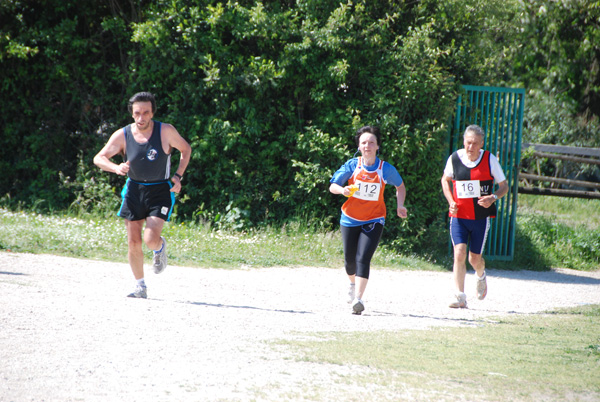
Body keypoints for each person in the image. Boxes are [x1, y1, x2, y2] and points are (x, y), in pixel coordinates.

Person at [93, 92, 192, 299]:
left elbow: (186, 149)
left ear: (152, 112)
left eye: (146, 112)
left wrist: (178, 176)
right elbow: (99, 158)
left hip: (160, 190)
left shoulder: (165, 131)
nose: (141, 117)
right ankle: (140, 286)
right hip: (134, 189)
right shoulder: (123, 134)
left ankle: (159, 247)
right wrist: (115, 167)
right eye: (137, 113)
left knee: (149, 238)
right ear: (132, 114)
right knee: (133, 242)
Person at [329, 126, 408, 315]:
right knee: (350, 261)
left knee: (363, 257)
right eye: (364, 142)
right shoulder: (352, 166)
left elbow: (400, 186)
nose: (368, 145)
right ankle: (352, 283)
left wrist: (400, 205)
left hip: (374, 218)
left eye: (371, 142)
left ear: (377, 146)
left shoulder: (385, 169)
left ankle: (359, 299)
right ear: (359, 146)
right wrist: (343, 190)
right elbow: (332, 186)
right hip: (350, 218)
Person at [441, 124, 508, 308]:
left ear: (482, 144)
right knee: (459, 253)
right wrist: (450, 201)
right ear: (464, 141)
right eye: (468, 142)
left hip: (479, 218)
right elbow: (445, 180)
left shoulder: (489, 159)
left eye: (475, 143)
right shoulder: (455, 158)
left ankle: (481, 275)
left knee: (474, 259)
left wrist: (493, 197)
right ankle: (460, 296)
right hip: (459, 217)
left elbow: (504, 186)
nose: (470, 147)